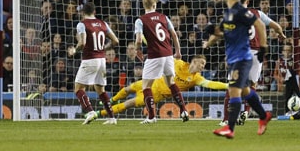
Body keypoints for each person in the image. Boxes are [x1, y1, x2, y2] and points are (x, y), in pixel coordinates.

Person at [203, 0, 272, 139]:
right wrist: (212, 32)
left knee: (233, 90)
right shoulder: (229, 13)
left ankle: (230, 127)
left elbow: (260, 25)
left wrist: (263, 48)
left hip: (242, 58)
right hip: (233, 58)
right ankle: (263, 115)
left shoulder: (241, 11)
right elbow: (224, 32)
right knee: (246, 91)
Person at [220, 0, 286, 126]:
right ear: (248, 1)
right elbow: (276, 26)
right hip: (256, 53)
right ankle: (247, 110)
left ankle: (226, 119)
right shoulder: (257, 13)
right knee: (253, 85)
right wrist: (281, 34)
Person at [97, 55, 227, 118]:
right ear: (194, 61)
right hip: (150, 82)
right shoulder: (178, 63)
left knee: (128, 104)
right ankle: (111, 101)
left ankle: (100, 113)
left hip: (156, 95)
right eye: (202, 63)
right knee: (126, 89)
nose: (203, 66)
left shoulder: (196, 78)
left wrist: (227, 86)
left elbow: (211, 84)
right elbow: (163, 55)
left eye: (204, 64)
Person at [134, 0, 189, 124]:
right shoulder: (164, 17)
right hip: (168, 54)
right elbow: (174, 35)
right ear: (155, 5)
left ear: (144, 6)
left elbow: (138, 40)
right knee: (171, 82)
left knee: (146, 86)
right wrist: (178, 51)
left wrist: (138, 50)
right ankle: (184, 110)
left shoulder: (140, 20)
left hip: (154, 55)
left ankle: (152, 117)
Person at [72, 2, 119, 125]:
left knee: (78, 88)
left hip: (89, 59)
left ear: (82, 12)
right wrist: (104, 48)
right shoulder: (103, 23)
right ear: (95, 12)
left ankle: (90, 111)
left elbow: (82, 43)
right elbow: (115, 40)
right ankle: (112, 117)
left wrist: (74, 50)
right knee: (100, 89)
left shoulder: (82, 24)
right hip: (102, 60)